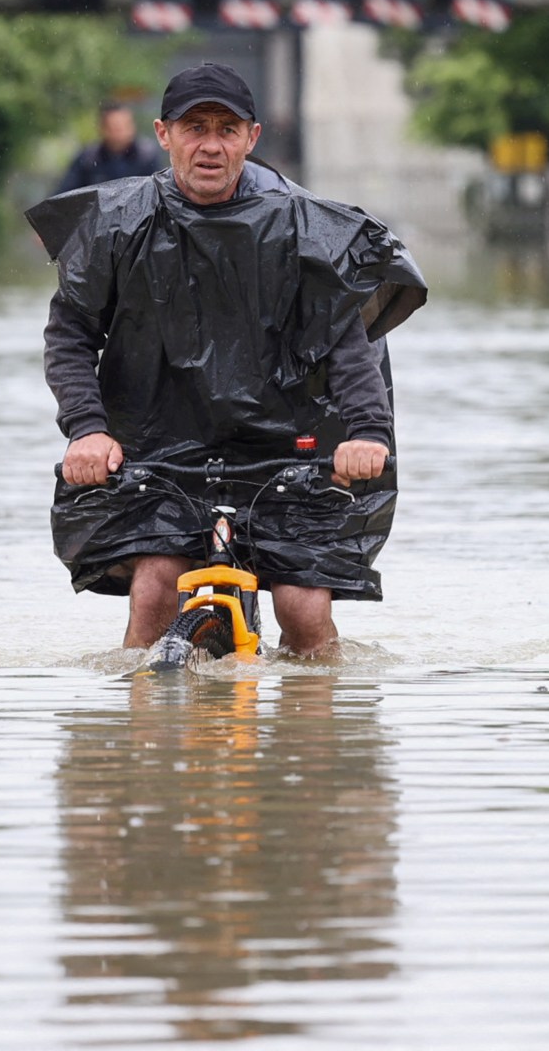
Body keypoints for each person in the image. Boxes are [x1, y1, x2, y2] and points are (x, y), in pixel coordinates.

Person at [26, 62, 426, 656]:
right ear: (163, 135)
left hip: (286, 451)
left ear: (251, 137)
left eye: (226, 129)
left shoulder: (304, 229)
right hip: (158, 453)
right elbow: (70, 335)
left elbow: (347, 343)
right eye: (194, 128)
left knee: (304, 609)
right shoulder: (116, 226)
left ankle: (318, 739)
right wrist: (86, 429)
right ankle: (131, 744)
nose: (210, 145)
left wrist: (367, 432)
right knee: (155, 592)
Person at [55, 101, 162, 193]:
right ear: (103, 129)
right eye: (115, 127)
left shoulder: (146, 157)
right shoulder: (88, 159)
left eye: (124, 126)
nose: (121, 132)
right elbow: (66, 193)